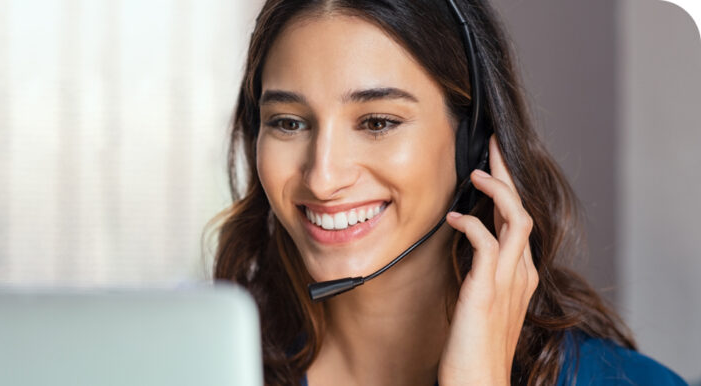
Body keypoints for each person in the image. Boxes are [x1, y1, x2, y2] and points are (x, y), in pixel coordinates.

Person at [212, 0, 688, 385]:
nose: (322, 178)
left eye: (378, 122)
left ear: (473, 143)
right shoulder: (203, 366)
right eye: (288, 123)